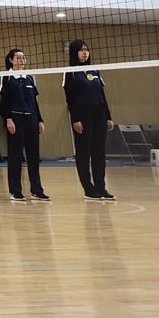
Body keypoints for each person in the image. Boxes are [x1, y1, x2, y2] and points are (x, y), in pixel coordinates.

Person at [63, 39, 115, 201]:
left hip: (99, 112)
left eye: (86, 49)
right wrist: (75, 119)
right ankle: (88, 187)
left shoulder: (94, 70)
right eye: (81, 50)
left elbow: (102, 94)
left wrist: (108, 116)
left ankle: (101, 186)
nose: (85, 52)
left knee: (99, 151)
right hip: (82, 114)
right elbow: (70, 98)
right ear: (74, 53)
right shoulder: (70, 72)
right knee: (84, 152)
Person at [0, 48, 48, 203]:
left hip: (31, 118)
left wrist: (39, 119)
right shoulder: (7, 77)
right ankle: (16, 192)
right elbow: (4, 102)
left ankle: (37, 191)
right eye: (18, 58)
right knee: (15, 156)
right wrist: (8, 119)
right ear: (11, 60)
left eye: (24, 58)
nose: (22, 60)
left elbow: (35, 101)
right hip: (16, 118)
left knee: (34, 156)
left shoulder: (29, 77)